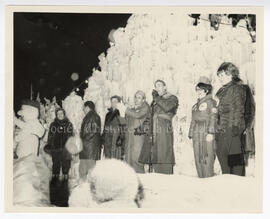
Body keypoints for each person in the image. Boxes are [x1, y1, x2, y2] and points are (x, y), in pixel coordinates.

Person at [138, 80, 179, 174]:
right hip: (153, 132)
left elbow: (167, 107)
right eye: (156, 86)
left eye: (159, 85)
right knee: (154, 155)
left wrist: (156, 98)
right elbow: (150, 116)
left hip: (164, 130)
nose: (157, 88)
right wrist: (141, 128)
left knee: (164, 154)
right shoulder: (155, 102)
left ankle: (166, 178)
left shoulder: (172, 98)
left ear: (165, 87)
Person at [215, 62, 247, 176]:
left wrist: (236, 126)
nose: (220, 78)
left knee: (235, 158)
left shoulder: (236, 88)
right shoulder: (221, 91)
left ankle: (237, 182)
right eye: (218, 75)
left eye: (222, 75)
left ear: (230, 74)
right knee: (221, 154)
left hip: (232, 127)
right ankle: (226, 181)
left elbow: (238, 108)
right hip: (222, 128)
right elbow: (218, 111)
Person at [188, 76, 217, 178]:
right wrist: (191, 132)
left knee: (207, 156)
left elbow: (213, 117)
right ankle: (201, 178)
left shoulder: (211, 102)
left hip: (206, 132)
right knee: (198, 156)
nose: (198, 91)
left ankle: (208, 178)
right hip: (197, 133)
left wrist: (211, 132)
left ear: (207, 90)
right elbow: (193, 120)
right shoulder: (195, 106)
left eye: (201, 89)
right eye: (197, 89)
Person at [125, 90, 150, 173]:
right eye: (135, 97)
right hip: (130, 136)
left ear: (143, 100)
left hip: (139, 137)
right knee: (129, 158)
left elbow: (138, 115)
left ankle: (141, 177)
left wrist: (126, 109)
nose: (136, 99)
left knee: (137, 158)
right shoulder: (132, 109)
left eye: (139, 98)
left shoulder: (145, 107)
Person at [47, 108, 73, 182]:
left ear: (64, 114)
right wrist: (50, 145)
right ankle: (55, 179)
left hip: (65, 149)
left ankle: (65, 179)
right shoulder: (53, 124)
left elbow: (70, 136)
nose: (60, 115)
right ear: (56, 115)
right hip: (55, 148)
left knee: (66, 164)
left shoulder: (69, 124)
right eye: (58, 114)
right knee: (55, 164)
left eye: (61, 113)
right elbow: (50, 136)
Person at [79, 101, 102, 181]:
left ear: (87, 107)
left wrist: (83, 139)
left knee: (90, 168)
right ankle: (85, 186)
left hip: (90, 147)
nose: (83, 109)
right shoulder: (90, 116)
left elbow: (94, 131)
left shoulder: (93, 116)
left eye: (84, 107)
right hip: (88, 146)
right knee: (85, 168)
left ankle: (90, 187)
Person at [102, 95, 125, 160]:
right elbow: (105, 126)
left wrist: (120, 138)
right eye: (112, 102)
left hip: (116, 138)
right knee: (108, 156)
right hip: (107, 138)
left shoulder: (121, 113)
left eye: (115, 101)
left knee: (115, 157)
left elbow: (123, 127)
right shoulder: (108, 114)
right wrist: (103, 137)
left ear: (119, 103)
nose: (113, 103)